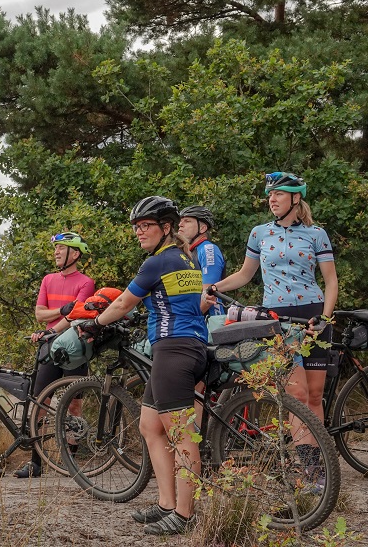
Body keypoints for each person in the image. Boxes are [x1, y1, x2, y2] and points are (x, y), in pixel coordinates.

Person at [80, 196, 209, 535]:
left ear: (166, 227)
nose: (139, 231)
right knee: (150, 426)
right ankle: (166, 503)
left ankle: (184, 515)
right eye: (136, 227)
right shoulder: (185, 258)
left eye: (146, 225)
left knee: (182, 435)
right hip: (188, 346)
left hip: (174, 350)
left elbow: (124, 301)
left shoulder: (157, 261)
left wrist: (96, 323)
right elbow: (172, 300)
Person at [209, 172, 338, 490]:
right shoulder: (259, 233)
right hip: (278, 321)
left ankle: (319, 469)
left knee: (315, 396)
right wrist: (214, 287)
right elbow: (245, 274)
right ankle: (310, 472)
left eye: (278, 194)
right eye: (270, 194)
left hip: (313, 317)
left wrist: (324, 318)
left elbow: (331, 282)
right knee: (297, 394)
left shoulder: (316, 234)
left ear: (296, 197)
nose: (272, 199)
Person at [16, 232, 95, 478]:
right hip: (49, 345)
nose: (56, 252)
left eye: (61, 248)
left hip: (74, 346)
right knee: (40, 401)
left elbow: (76, 315)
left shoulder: (86, 282)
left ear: (75, 253)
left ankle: (71, 462)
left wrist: (53, 328)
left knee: (74, 402)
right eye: (56, 249)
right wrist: (61, 311)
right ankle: (36, 463)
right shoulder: (48, 279)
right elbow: (40, 314)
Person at [178, 205, 225, 317]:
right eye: (181, 221)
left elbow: (209, 295)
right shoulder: (188, 252)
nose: (180, 224)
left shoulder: (207, 249)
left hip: (211, 319)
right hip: (196, 318)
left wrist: (187, 320)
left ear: (202, 228)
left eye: (187, 221)